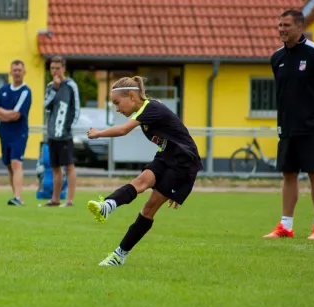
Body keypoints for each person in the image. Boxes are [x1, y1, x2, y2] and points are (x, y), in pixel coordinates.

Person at [85, 76, 203, 266]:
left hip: (183, 162)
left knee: (148, 209)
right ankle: (107, 206)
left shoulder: (151, 108)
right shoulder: (145, 111)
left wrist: (98, 133)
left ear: (132, 96)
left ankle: (119, 255)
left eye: (117, 102)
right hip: (166, 155)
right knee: (141, 181)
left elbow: (123, 130)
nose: (116, 108)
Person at [263, 9, 314, 240]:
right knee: (288, 175)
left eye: (286, 25)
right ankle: (286, 226)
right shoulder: (277, 58)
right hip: (287, 128)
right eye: (280, 26)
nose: (282, 30)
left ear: (299, 27)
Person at [0, 60, 32, 206]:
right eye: (14, 70)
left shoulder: (25, 92)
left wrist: (2, 112)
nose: (17, 73)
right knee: (8, 165)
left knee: (16, 163)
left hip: (19, 133)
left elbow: (16, 115)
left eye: (19, 70)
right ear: (10, 72)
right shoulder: (4, 90)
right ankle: (16, 196)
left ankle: (18, 197)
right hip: (4, 133)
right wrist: (3, 114)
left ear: (24, 72)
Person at [42, 56, 80, 207]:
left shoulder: (71, 85)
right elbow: (46, 106)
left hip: (65, 134)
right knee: (55, 167)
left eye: (57, 68)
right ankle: (55, 199)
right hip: (52, 134)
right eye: (52, 68)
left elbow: (76, 108)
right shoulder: (51, 86)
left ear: (63, 68)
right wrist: (54, 90)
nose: (55, 71)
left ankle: (69, 200)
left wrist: (70, 127)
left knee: (69, 166)